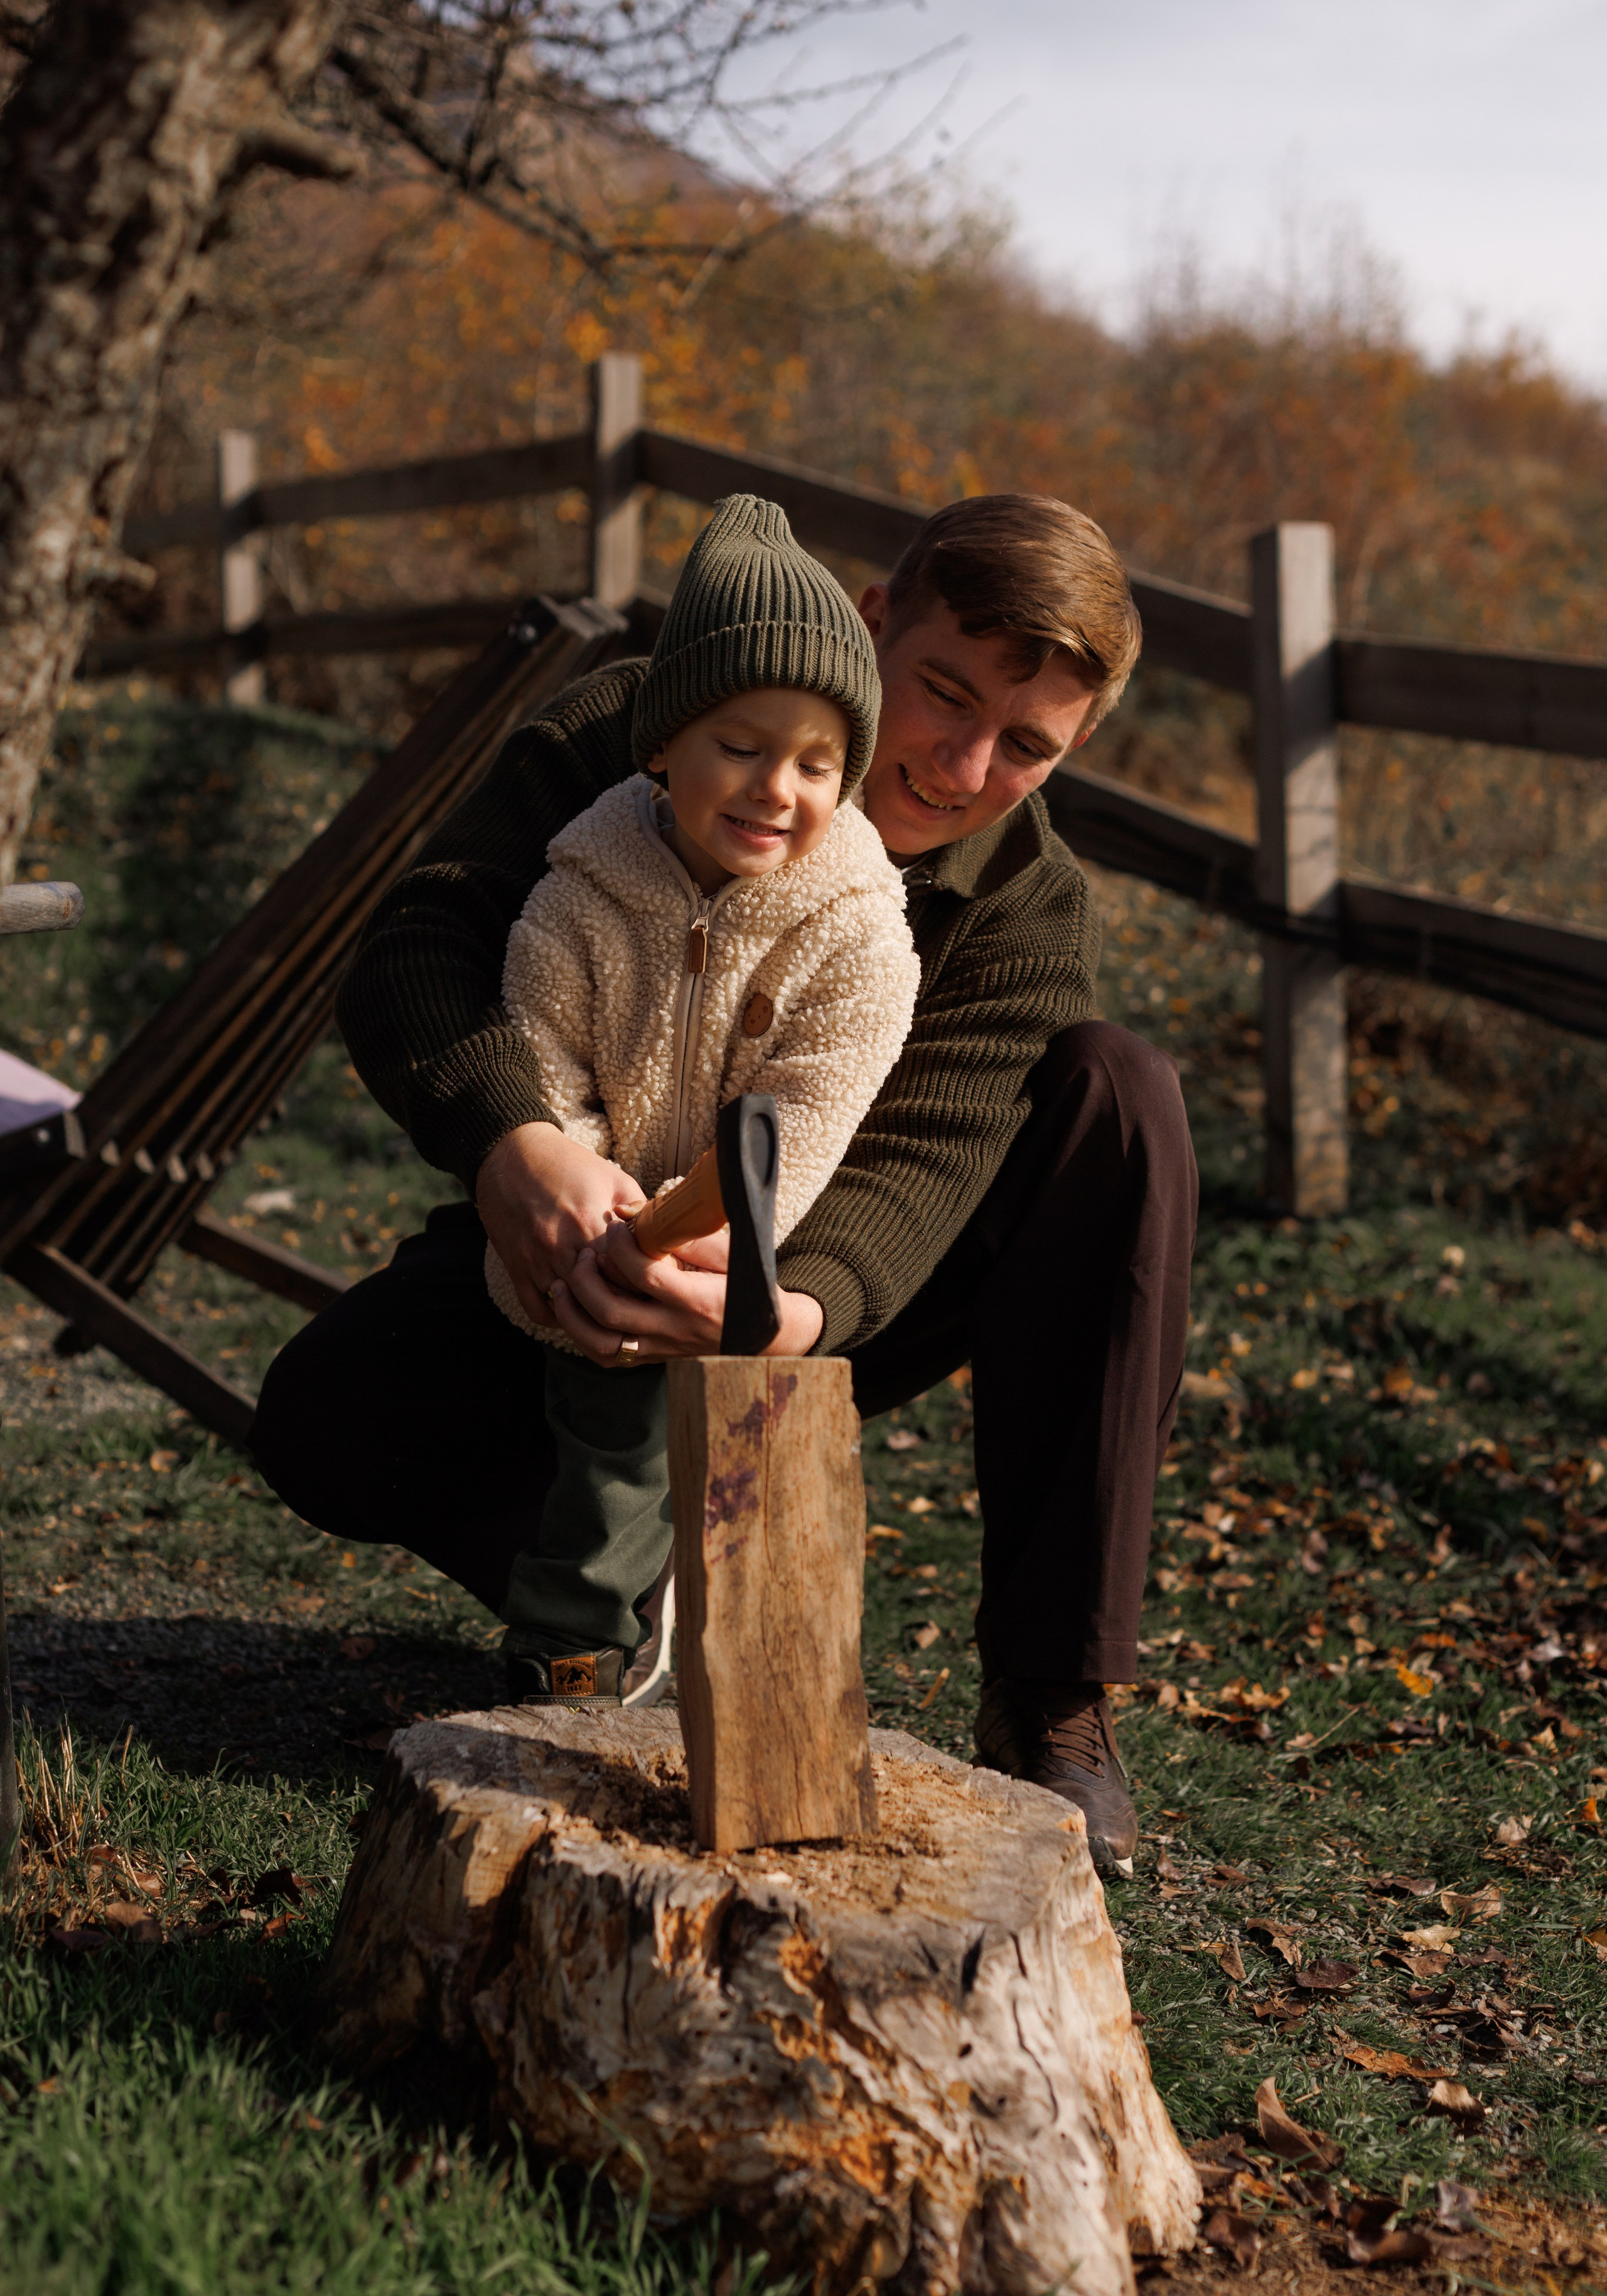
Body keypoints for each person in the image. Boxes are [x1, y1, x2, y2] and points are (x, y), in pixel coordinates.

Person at [252, 491, 1198, 1878]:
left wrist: (784, 1310)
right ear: (873, 621)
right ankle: (618, 1583)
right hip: (561, 1242)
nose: (959, 763)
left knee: (1120, 1093)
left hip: (813, 1311)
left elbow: (928, 1153)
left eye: (1026, 748)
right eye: (941, 694)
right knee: (324, 1422)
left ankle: (1053, 1691)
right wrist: (517, 1146)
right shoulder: (635, 728)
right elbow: (421, 940)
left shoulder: (1026, 909)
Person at [481, 495, 919, 1703]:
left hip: (750, 1250)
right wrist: (586, 1189)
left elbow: (814, 1104)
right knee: (605, 1443)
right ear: (664, 743)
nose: (778, 787)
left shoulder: (862, 934)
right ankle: (568, 1653)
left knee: (751, 1463)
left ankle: (755, 1680)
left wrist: (711, 1229)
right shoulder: (579, 893)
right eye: (742, 745)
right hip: (595, 1237)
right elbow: (538, 1054)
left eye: (819, 763)